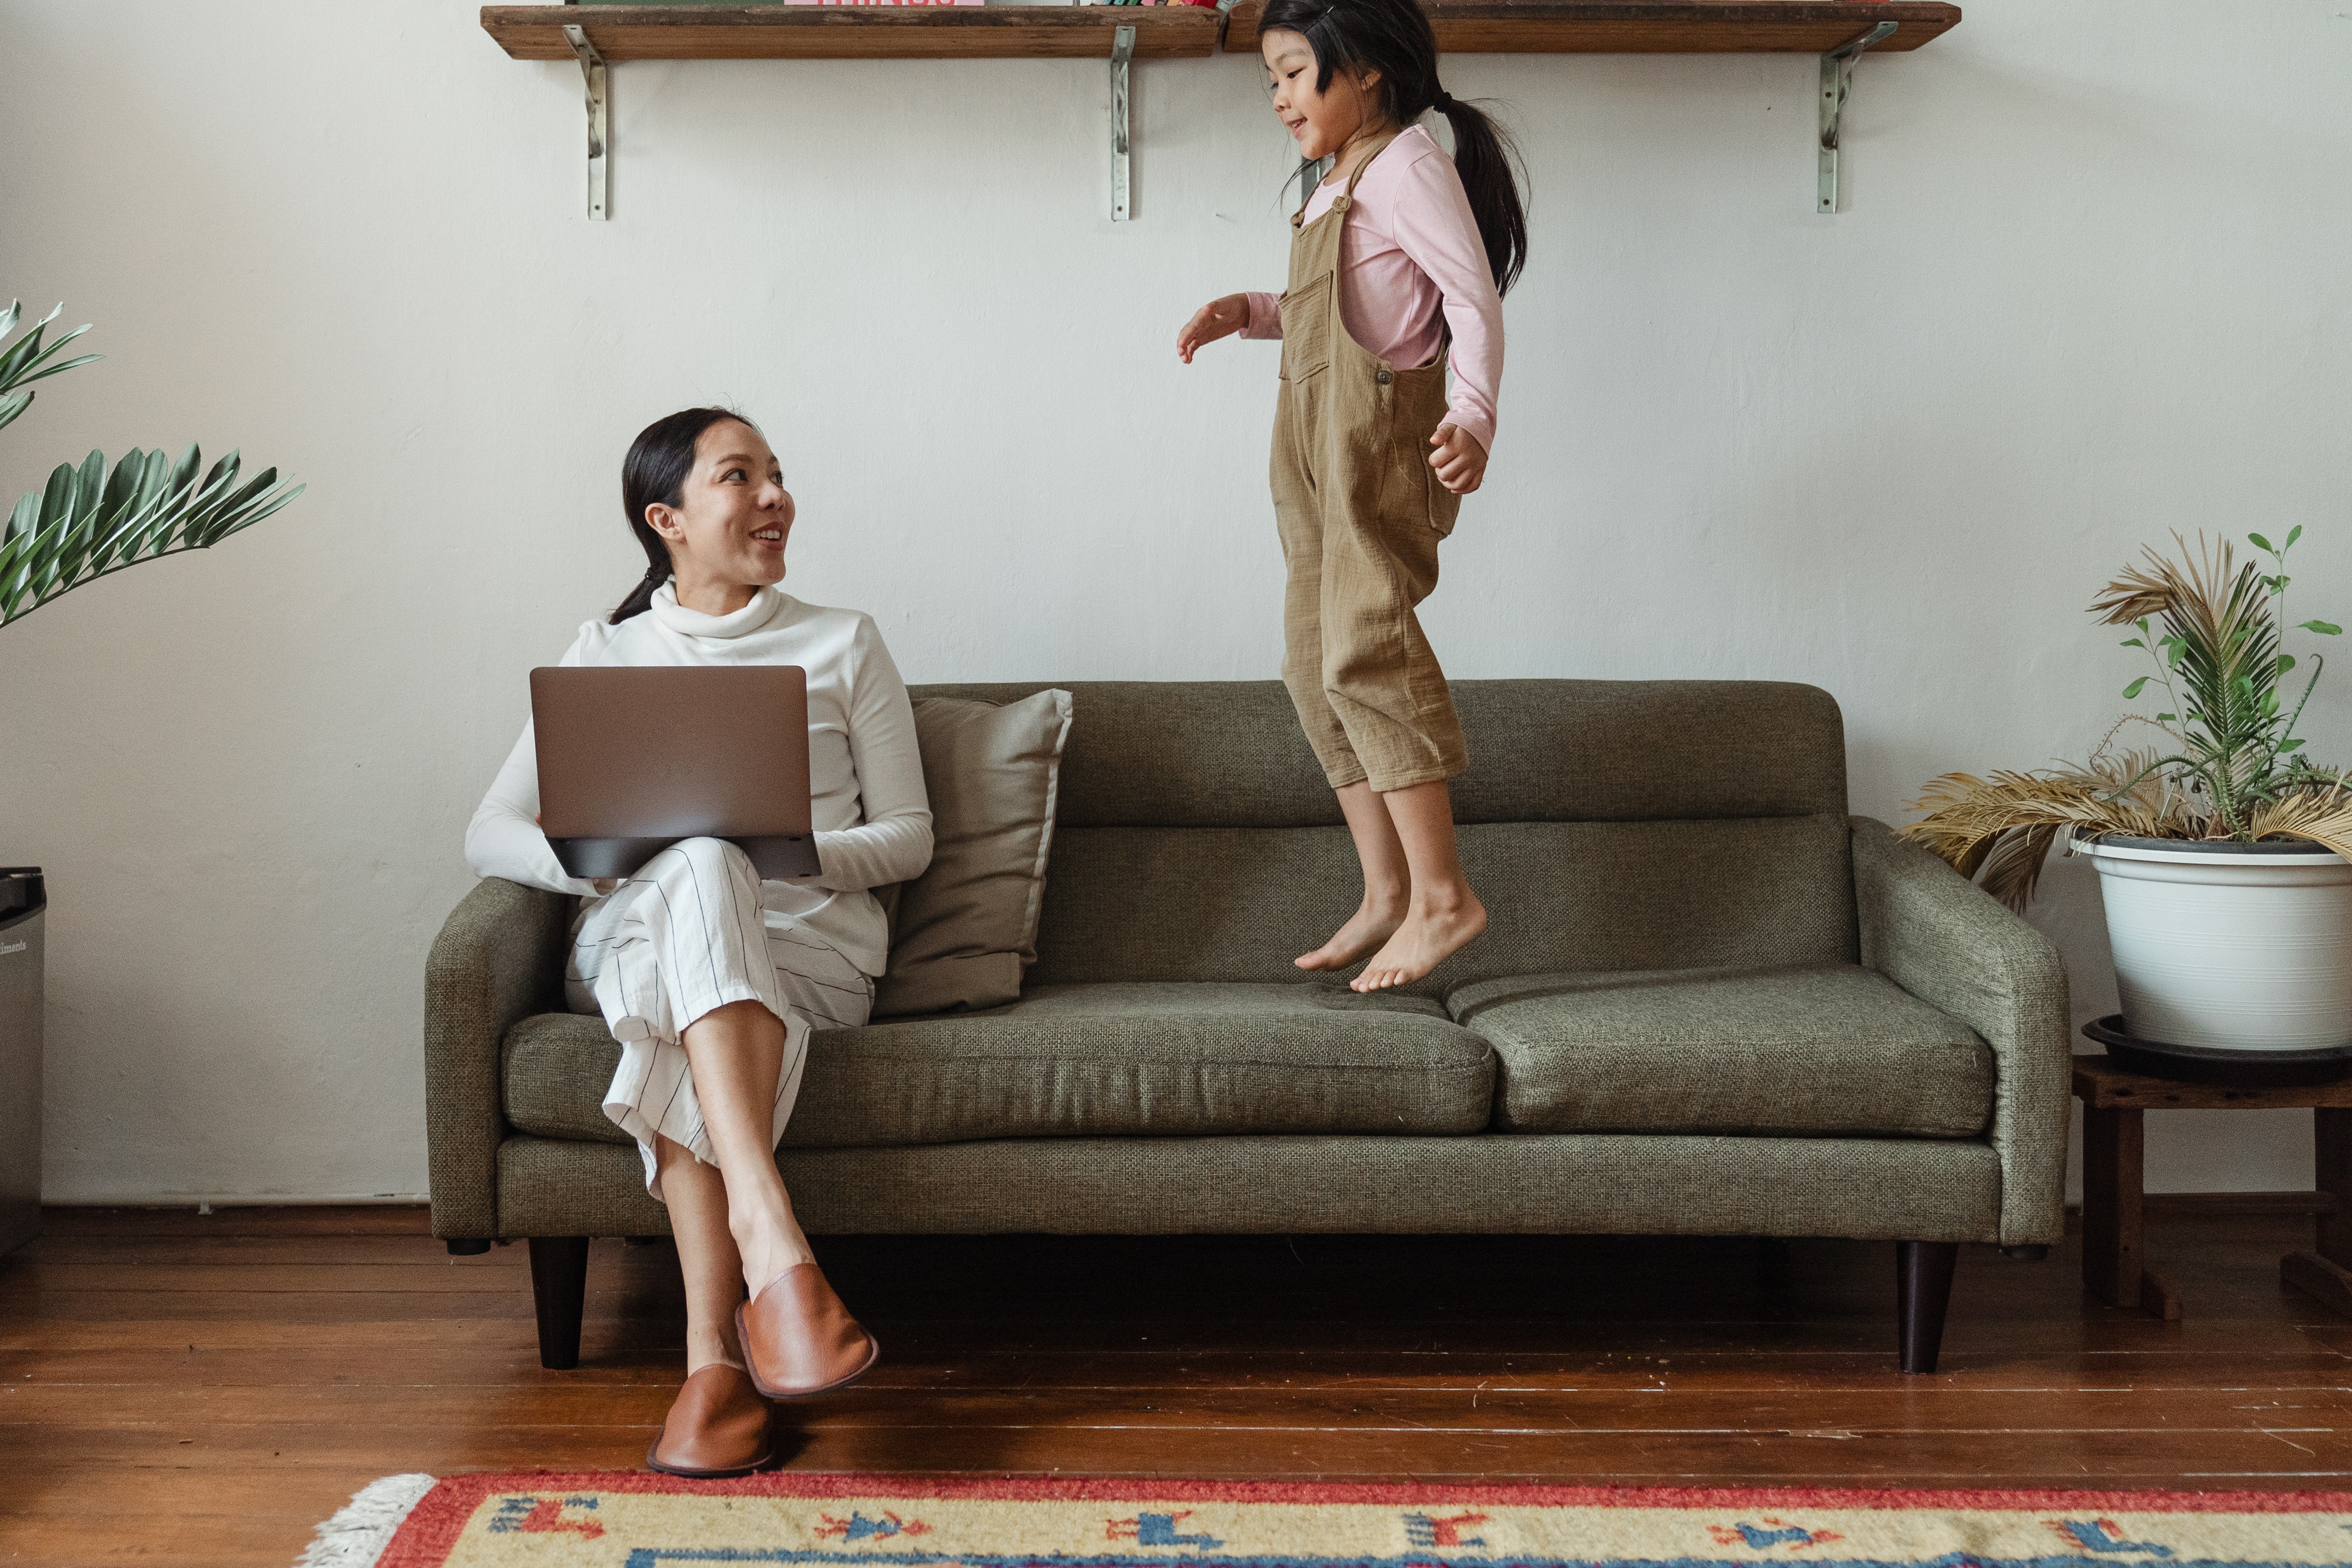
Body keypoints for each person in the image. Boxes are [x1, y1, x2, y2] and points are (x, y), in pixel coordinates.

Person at [465, 407, 933, 1477]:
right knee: (693, 869)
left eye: (777, 475)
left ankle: (710, 1364)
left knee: (712, 874)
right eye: (741, 478)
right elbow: (486, 830)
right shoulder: (606, 651)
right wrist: (603, 862)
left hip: (806, 951)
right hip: (636, 933)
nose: (775, 498)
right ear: (666, 518)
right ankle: (776, 1252)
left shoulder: (843, 640)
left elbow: (909, 839)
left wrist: (777, 850)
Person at [1176, 0, 1526, 992]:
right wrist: (1250, 312)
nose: (1281, 97)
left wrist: (1473, 417)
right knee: (1308, 662)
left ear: (1364, 69)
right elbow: (1344, 305)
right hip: (1308, 445)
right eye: (1273, 80)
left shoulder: (1406, 163)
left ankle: (1444, 895)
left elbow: (1469, 299)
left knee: (1363, 648)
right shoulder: (1336, 180)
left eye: (1294, 73)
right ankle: (1385, 891)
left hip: (1375, 443)